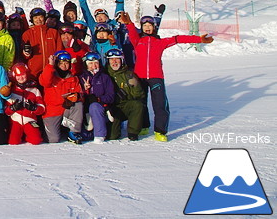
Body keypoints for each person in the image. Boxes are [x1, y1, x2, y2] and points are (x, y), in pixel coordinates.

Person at [122, 11, 213, 142]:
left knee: (160, 104)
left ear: (154, 27)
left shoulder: (161, 42)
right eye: (144, 25)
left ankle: (160, 131)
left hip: (156, 77)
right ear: (141, 27)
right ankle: (144, 126)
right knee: (140, 104)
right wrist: (129, 23)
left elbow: (178, 39)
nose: (147, 27)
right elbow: (131, 32)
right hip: (139, 77)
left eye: (150, 25)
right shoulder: (138, 41)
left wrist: (199, 39)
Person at [39, 50, 85, 144]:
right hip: (53, 111)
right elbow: (44, 81)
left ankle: (73, 132)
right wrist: (50, 65)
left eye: (66, 63)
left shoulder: (73, 78)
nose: (64, 65)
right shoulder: (51, 76)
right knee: (54, 139)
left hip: (67, 109)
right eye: (61, 63)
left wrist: (75, 97)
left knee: (78, 104)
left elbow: (80, 95)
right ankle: (52, 130)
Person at [104, 48, 147, 141]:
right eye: (111, 59)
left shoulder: (129, 74)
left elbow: (140, 95)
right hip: (111, 109)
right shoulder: (104, 74)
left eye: (117, 59)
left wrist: (135, 86)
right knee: (112, 136)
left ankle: (133, 132)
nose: (114, 62)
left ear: (121, 60)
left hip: (125, 105)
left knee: (137, 105)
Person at [79, 52, 115, 144]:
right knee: (85, 136)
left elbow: (111, 95)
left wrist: (99, 99)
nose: (93, 66)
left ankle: (100, 135)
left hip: (101, 107)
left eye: (96, 63)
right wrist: (84, 89)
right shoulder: (81, 77)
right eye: (90, 63)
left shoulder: (104, 77)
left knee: (94, 106)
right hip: (85, 111)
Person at [5, 63, 45, 145]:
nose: (21, 78)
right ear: (14, 77)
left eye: (23, 74)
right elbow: (6, 110)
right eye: (18, 76)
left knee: (36, 140)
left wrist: (34, 108)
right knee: (13, 142)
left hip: (29, 120)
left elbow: (42, 108)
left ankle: (27, 135)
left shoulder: (34, 90)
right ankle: (20, 134)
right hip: (16, 121)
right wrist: (13, 108)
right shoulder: (12, 91)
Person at [21, 7, 63, 78]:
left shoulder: (53, 32)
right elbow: (23, 56)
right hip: (33, 72)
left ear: (45, 18)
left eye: (41, 17)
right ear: (32, 20)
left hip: (51, 70)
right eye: (35, 18)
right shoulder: (27, 34)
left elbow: (59, 50)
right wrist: (26, 53)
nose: (38, 20)